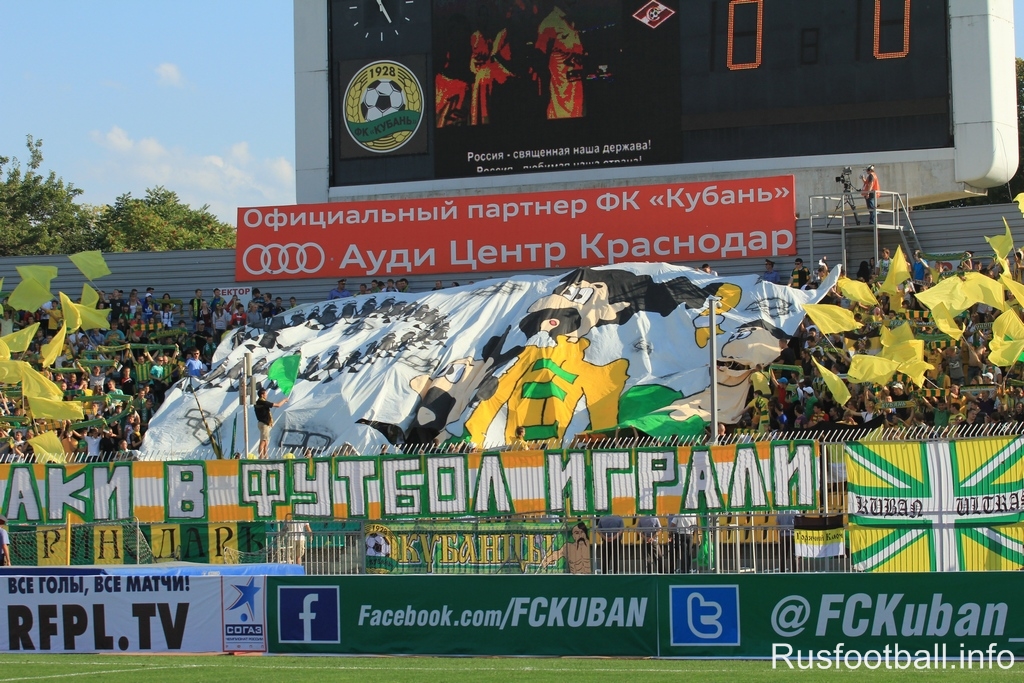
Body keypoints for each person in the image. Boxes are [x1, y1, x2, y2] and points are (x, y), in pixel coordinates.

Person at [254, 387, 288, 458]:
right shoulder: (263, 402)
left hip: (261, 423)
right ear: (262, 395)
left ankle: (266, 456)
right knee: (263, 441)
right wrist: (284, 400)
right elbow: (278, 405)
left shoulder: (257, 403)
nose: (266, 395)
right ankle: (261, 457)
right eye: (265, 394)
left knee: (266, 441)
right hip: (264, 424)